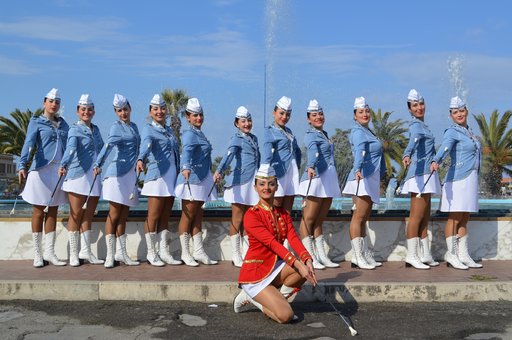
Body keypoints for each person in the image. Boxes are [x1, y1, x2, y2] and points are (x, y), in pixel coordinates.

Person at [232, 165, 317, 323]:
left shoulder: (282, 213)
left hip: (274, 267)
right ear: (255, 187)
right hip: (255, 274)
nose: (267, 188)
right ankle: (253, 297)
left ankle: (279, 300)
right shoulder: (251, 215)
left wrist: (307, 260)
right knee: (286, 317)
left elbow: (293, 238)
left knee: (306, 270)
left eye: (271, 184)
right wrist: (298, 263)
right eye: (262, 184)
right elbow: (273, 244)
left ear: (277, 186)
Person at [17, 88, 69, 267]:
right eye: (51, 101)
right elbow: (29, 144)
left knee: (53, 211)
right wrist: (22, 164)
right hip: (41, 170)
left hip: (58, 172)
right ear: (44, 103)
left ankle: (50, 252)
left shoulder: (64, 125)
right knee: (39, 211)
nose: (54, 104)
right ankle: (37, 254)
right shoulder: (36, 122)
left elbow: (70, 147)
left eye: (57, 102)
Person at [430, 96, 482, 270]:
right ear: (450, 115)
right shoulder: (452, 131)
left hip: (471, 178)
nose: (459, 114)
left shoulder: (469, 132)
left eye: (461, 111)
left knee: (465, 217)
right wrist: (436, 160)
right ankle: (451, 254)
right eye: (455, 112)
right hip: (458, 178)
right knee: (455, 217)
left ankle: (463, 254)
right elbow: (445, 147)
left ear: (466, 111)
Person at [94, 94, 141, 268]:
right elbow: (108, 147)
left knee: (123, 215)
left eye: (125, 109)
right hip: (116, 174)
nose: (123, 113)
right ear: (115, 112)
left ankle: (122, 254)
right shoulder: (116, 128)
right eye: (119, 111)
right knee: (114, 214)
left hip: (130, 175)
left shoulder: (135, 127)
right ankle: (109, 255)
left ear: (130, 108)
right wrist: (98, 163)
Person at [136, 94, 182, 266]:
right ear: (150, 111)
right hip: (157, 176)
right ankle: (151, 252)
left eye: (162, 108)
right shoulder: (149, 129)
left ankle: (164, 251)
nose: (160, 112)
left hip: (171, 175)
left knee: (165, 215)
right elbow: (145, 146)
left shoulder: (169, 131)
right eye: (156, 109)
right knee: (153, 215)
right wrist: (141, 159)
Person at [59, 94, 104, 266]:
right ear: (78, 111)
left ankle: (86, 252)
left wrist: (101, 163)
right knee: (76, 214)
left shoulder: (96, 129)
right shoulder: (74, 129)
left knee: (88, 215)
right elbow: (70, 149)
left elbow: (102, 148)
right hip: (77, 176)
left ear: (93, 111)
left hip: (93, 176)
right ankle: (73, 253)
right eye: (83, 109)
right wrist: (64, 164)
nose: (87, 112)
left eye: (89, 109)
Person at [174, 98, 218, 266]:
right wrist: (185, 166)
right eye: (195, 115)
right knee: (188, 215)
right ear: (187, 117)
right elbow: (186, 151)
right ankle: (185, 252)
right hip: (191, 178)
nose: (199, 118)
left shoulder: (199, 133)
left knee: (198, 215)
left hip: (202, 178)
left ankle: (198, 251)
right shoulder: (190, 134)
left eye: (200, 115)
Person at [298, 99, 341, 270]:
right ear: (308, 119)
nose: (318, 117)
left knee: (319, 220)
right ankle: (308, 257)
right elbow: (312, 152)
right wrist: (310, 166)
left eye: (320, 114)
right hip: (315, 178)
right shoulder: (310, 135)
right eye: (314, 115)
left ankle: (321, 255)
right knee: (308, 219)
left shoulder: (324, 134)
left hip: (327, 179)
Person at [214, 106, 260, 267]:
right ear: (236, 123)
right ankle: (236, 254)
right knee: (238, 219)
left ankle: (248, 252)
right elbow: (229, 156)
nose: (247, 124)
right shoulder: (236, 139)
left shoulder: (254, 138)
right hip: (240, 182)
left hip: (253, 182)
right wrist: (219, 171)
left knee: (250, 220)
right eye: (243, 121)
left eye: (249, 120)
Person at [342, 97, 385, 270]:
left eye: (367, 111)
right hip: (362, 177)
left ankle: (364, 253)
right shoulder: (359, 132)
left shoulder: (368, 131)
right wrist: (358, 168)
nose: (365, 114)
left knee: (363, 218)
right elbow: (360, 151)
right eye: (361, 112)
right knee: (358, 217)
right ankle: (357, 256)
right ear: (355, 115)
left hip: (369, 176)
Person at [261, 96, 301, 214]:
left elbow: (297, 150)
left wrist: (298, 165)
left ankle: (285, 232)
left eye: (287, 114)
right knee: (275, 207)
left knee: (287, 210)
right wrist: (265, 171)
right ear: (274, 113)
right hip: (278, 172)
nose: (284, 117)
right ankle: (273, 232)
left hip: (292, 172)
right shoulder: (269, 131)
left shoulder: (289, 131)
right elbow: (267, 152)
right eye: (281, 113)